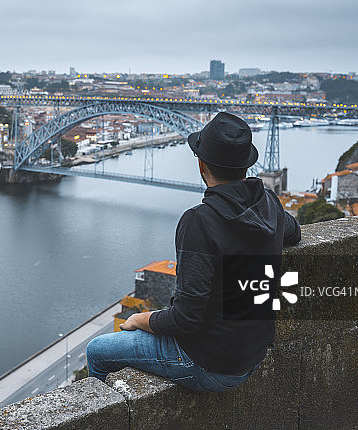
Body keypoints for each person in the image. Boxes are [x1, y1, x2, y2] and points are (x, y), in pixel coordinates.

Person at [86, 111, 301, 392]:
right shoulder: (270, 203)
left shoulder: (199, 221)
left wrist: (140, 318)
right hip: (252, 353)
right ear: (246, 164)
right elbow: (293, 233)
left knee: (97, 350)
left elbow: (185, 319)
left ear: (202, 165)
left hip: (211, 364)